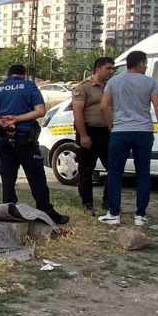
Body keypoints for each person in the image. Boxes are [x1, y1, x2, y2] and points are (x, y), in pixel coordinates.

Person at [0, 64, 70, 225]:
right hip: (25, 138)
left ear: (8, 75)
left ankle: (9, 210)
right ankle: (45, 209)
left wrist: (2, 122)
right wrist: (17, 119)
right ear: (24, 75)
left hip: (4, 139)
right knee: (36, 176)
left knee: (7, 177)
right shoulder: (29, 86)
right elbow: (40, 111)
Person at [98, 50, 158, 227]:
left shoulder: (113, 81)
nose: (145, 66)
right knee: (143, 173)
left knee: (115, 173)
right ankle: (140, 215)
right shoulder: (150, 82)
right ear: (139, 64)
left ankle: (114, 213)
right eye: (144, 63)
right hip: (143, 131)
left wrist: (110, 126)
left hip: (120, 132)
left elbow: (103, 106)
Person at [71, 56, 116, 215]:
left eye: (113, 68)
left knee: (114, 167)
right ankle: (87, 203)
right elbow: (77, 112)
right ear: (98, 69)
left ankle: (108, 201)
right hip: (89, 131)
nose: (112, 71)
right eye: (108, 68)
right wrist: (83, 135)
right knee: (86, 169)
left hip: (107, 132)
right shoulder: (84, 87)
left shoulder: (111, 87)